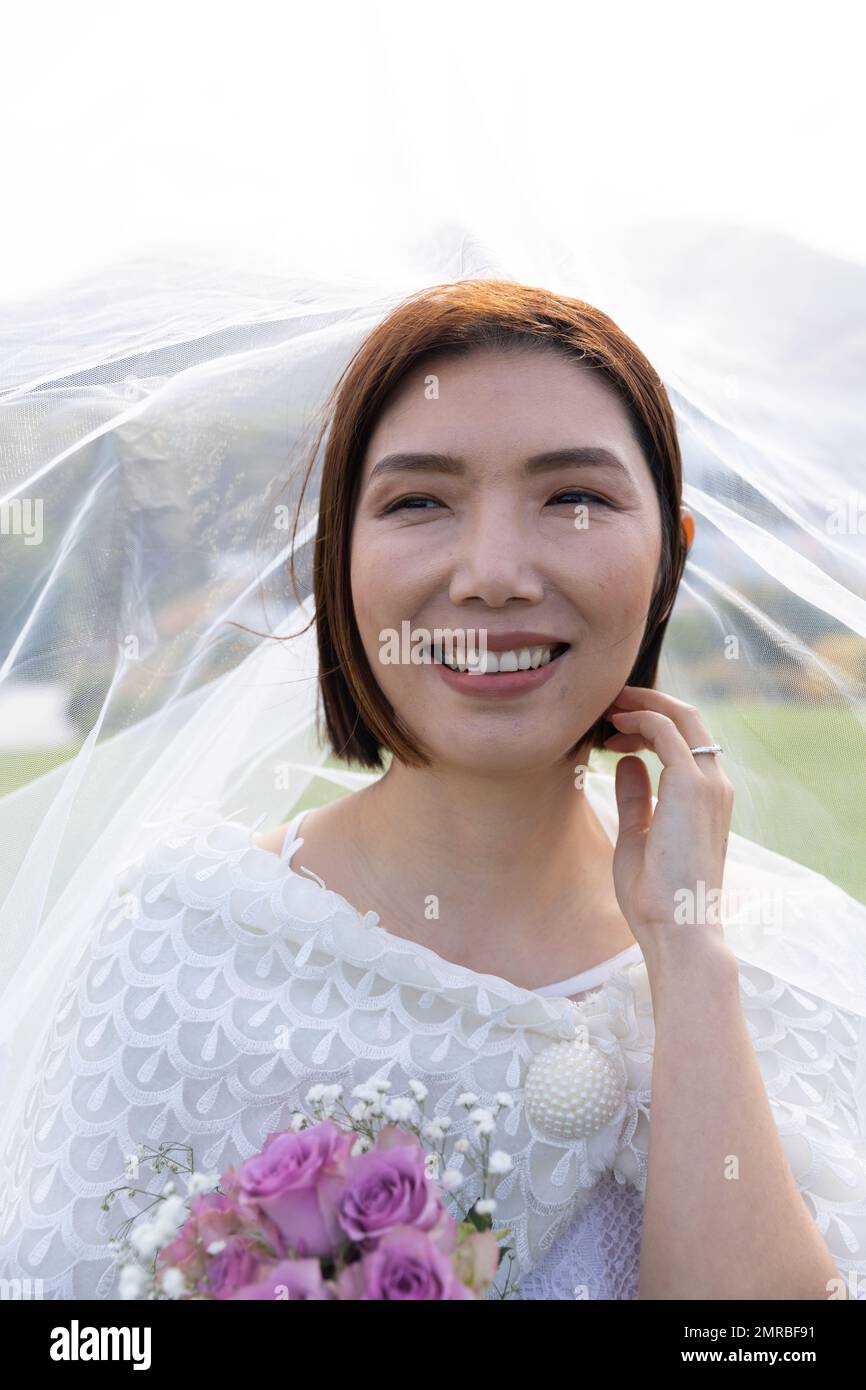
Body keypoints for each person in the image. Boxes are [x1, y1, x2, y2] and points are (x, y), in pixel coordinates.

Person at [0, 277, 864, 1301]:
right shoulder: (179, 944)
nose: (491, 572)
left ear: (668, 560)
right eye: (418, 501)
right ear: (337, 559)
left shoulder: (805, 966)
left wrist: (687, 953)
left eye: (573, 499)